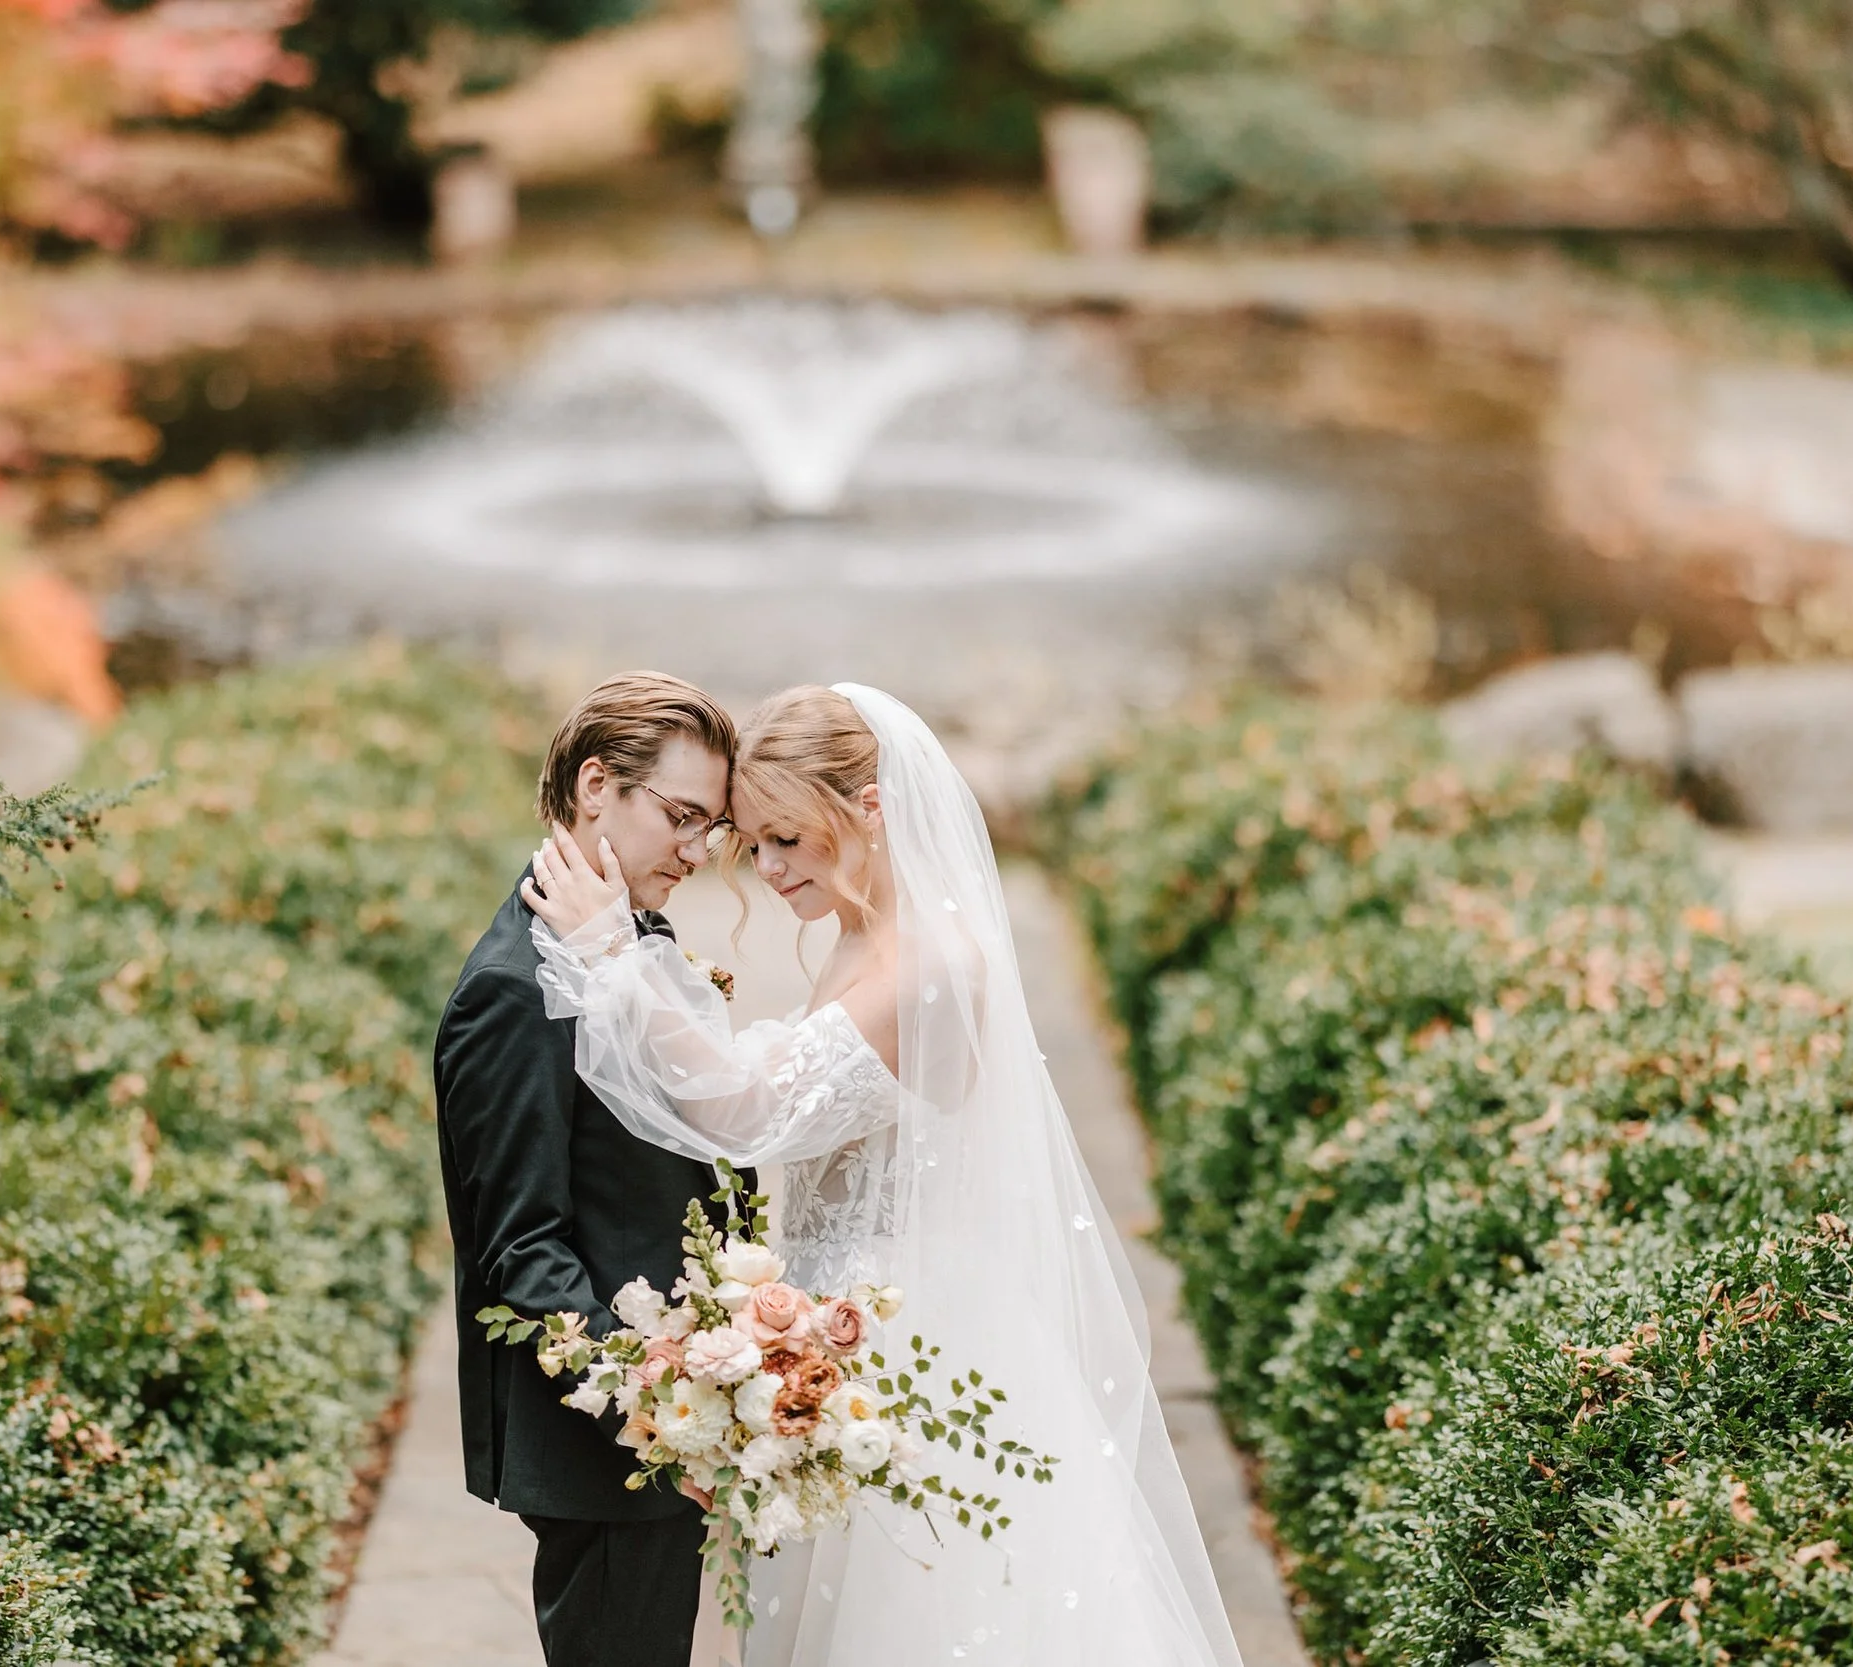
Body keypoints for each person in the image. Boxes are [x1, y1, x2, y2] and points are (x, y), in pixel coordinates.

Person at [520, 682, 1244, 1667]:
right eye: (753, 843)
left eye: (785, 838)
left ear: (867, 808)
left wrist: (613, 955)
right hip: (834, 1342)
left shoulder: (933, 964)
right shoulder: (862, 935)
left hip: (911, 1356)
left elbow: (748, 1109)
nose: (767, 870)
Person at [433, 670, 746, 1667]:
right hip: (611, 1451)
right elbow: (521, 1250)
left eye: (714, 827)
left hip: (662, 1429)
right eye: (682, 816)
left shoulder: (611, 946)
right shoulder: (515, 989)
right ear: (595, 784)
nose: (698, 852)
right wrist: (661, 1409)